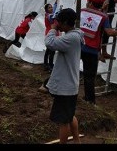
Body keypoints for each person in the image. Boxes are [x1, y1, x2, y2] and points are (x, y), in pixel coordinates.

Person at [80, 0, 117, 105]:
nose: (87, 2)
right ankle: (90, 100)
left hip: (79, 47)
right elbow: (110, 32)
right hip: (92, 51)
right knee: (89, 77)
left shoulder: (82, 11)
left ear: (91, 2)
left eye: (88, 0)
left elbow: (90, 18)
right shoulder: (103, 17)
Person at [44, 8, 84, 144]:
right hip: (69, 85)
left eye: (59, 22)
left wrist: (52, 29)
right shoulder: (74, 35)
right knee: (69, 115)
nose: (57, 24)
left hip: (65, 87)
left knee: (63, 121)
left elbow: (49, 43)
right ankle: (77, 141)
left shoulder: (71, 38)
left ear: (66, 22)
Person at [43, 0, 61, 72]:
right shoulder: (49, 16)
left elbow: (54, 7)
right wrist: (60, 10)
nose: (51, 8)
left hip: (51, 33)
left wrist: (56, 0)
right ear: (46, 10)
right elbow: (54, 16)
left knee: (48, 50)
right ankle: (50, 66)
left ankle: (46, 64)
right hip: (51, 34)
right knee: (52, 51)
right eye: (49, 7)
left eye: (51, 7)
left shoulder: (50, 14)